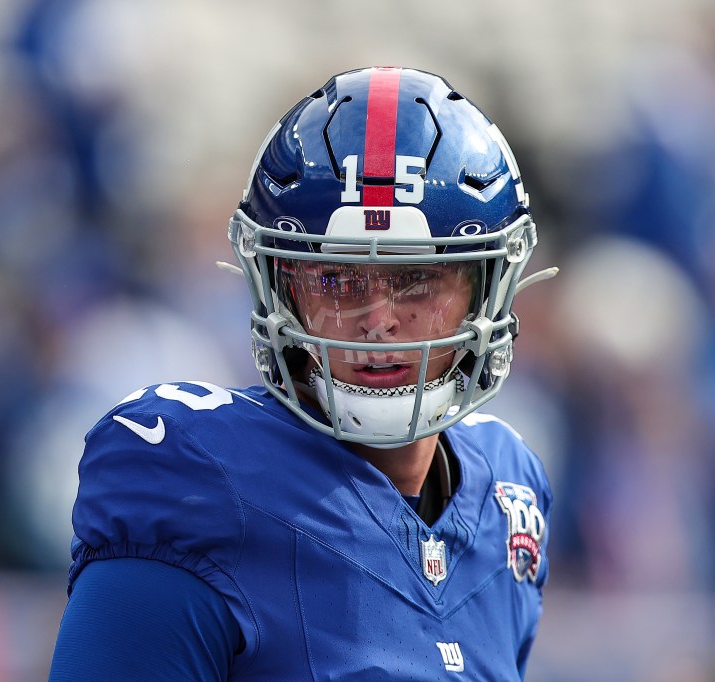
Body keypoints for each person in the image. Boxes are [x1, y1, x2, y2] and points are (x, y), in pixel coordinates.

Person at [49, 66, 557, 681]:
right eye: (338, 280)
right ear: (280, 291)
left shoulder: (509, 493)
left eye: (416, 278)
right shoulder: (198, 478)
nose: (378, 320)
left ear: (487, 290)